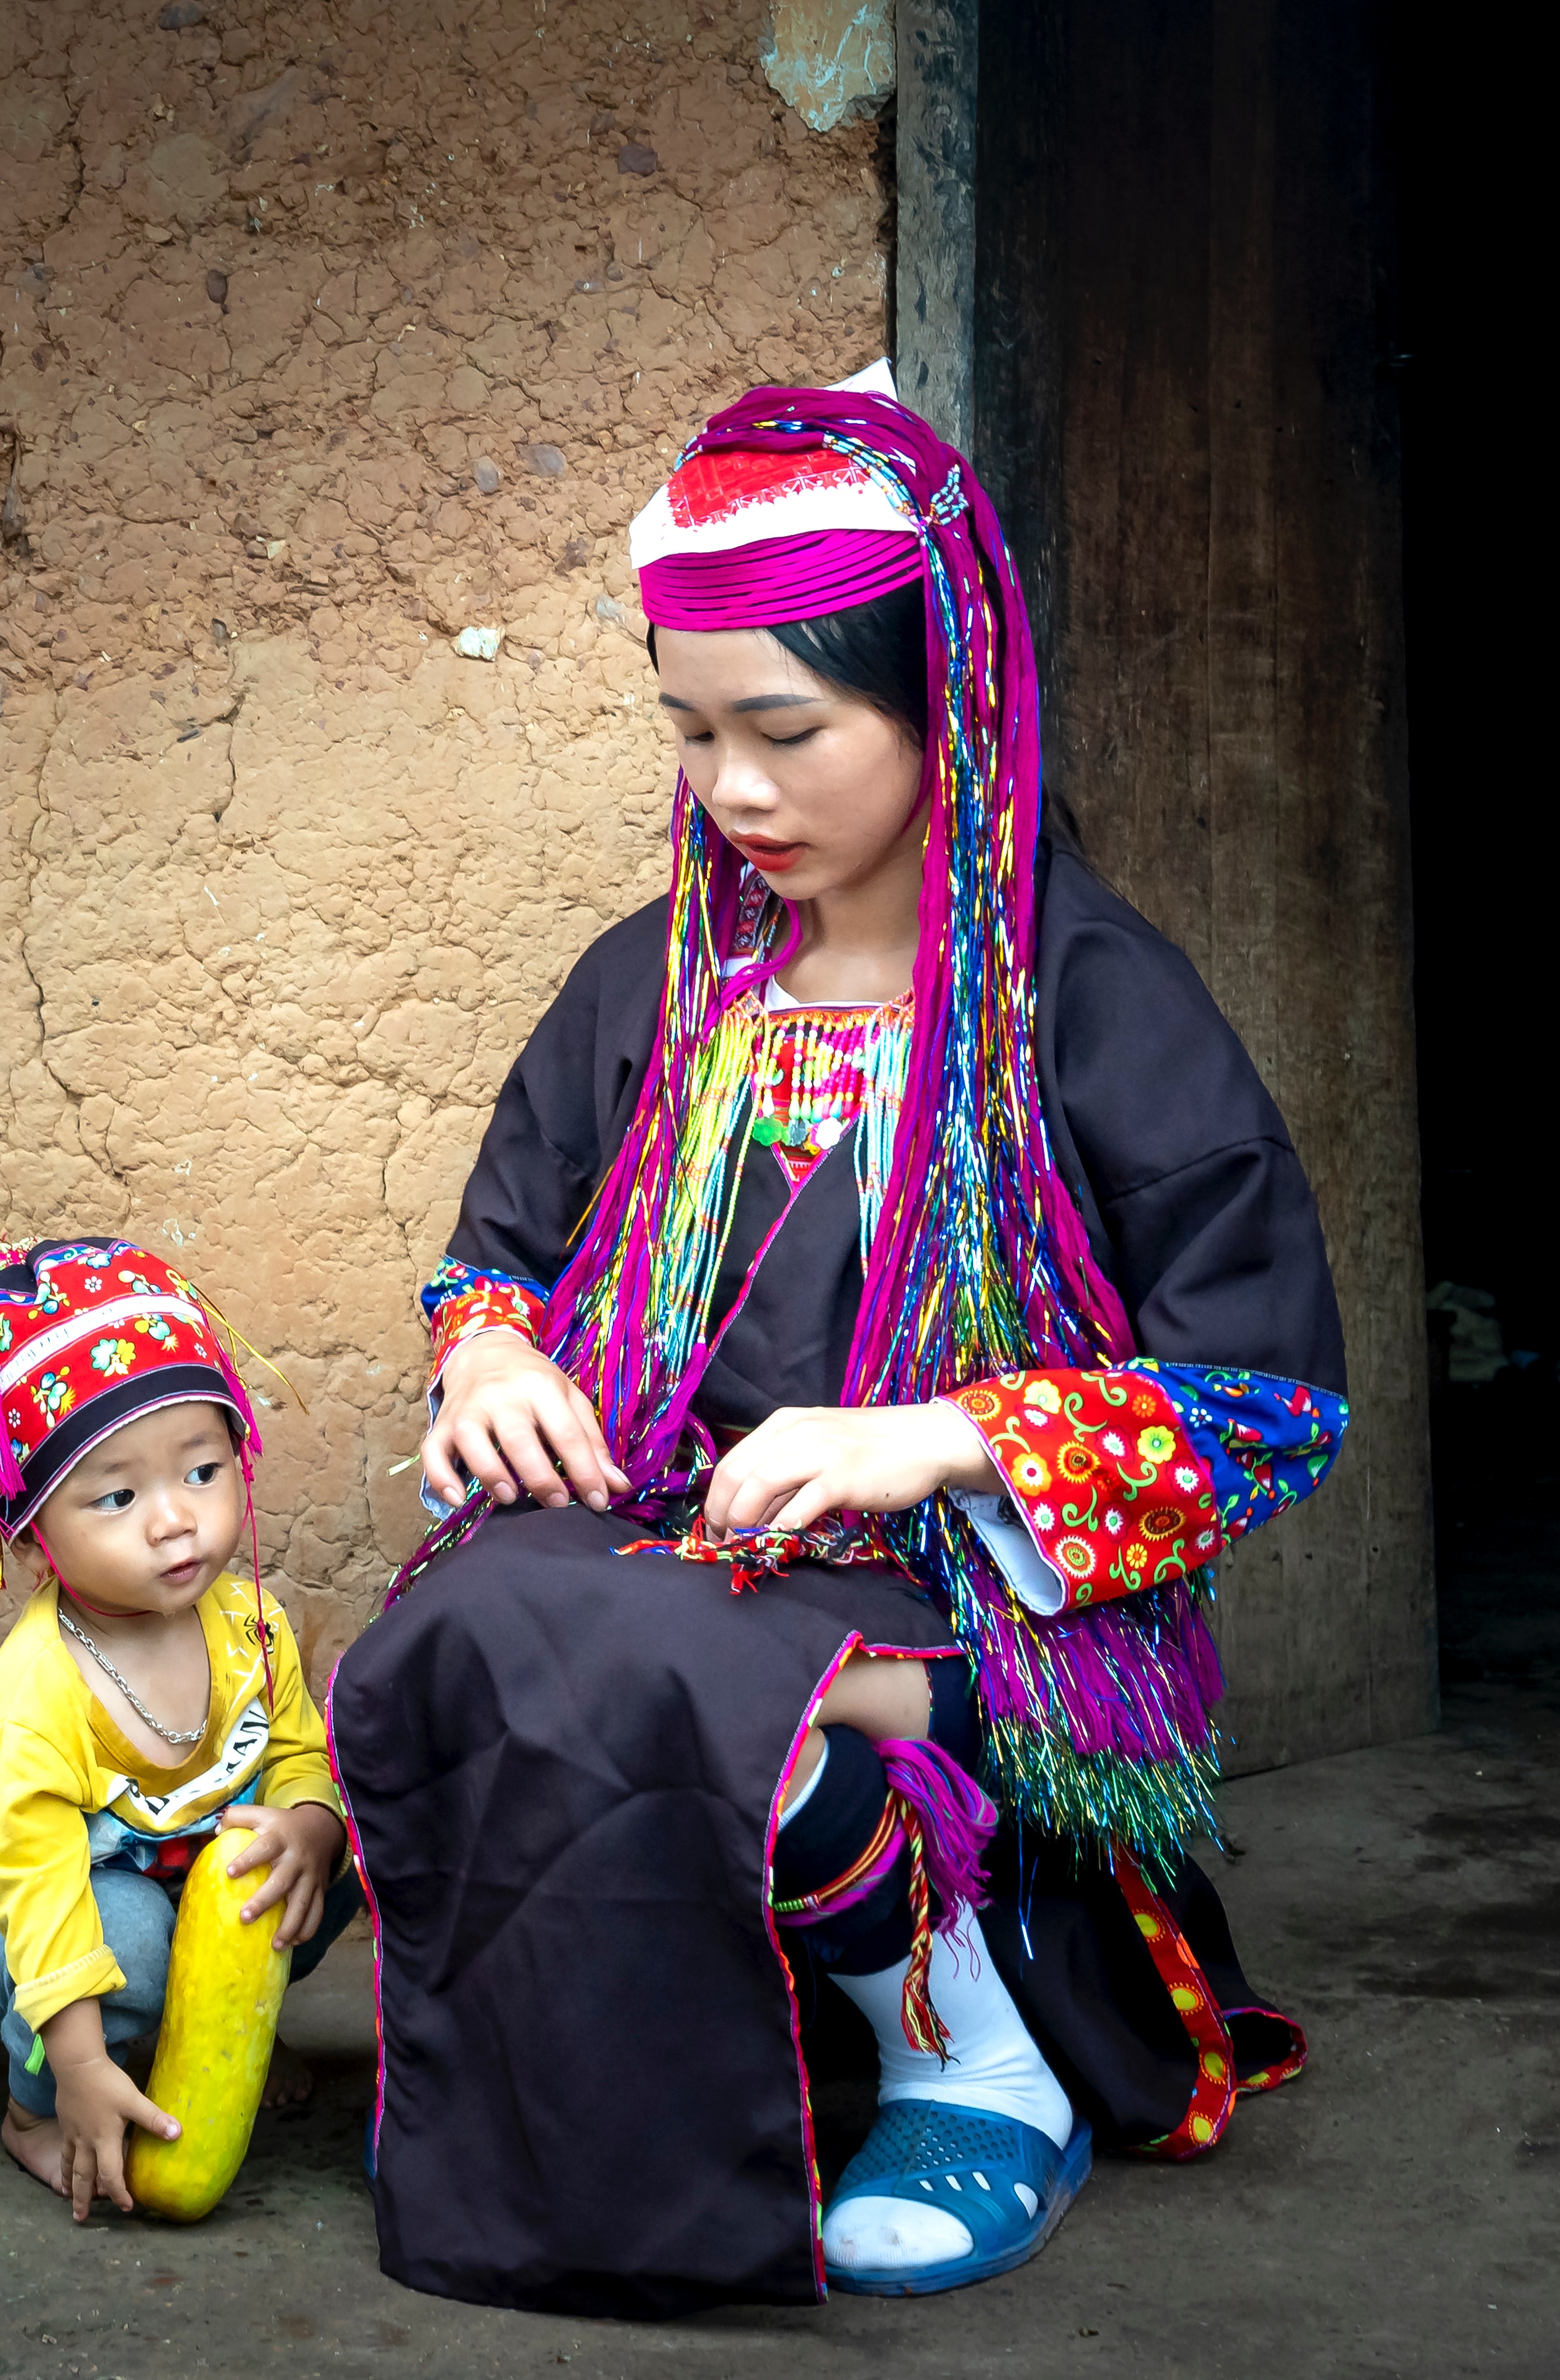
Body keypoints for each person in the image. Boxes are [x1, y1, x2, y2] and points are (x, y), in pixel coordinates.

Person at [329, 364, 1346, 2313]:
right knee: (463, 1621)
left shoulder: (1085, 1003)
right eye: (691, 730)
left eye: (785, 729)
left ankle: (964, 2040)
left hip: (975, 1614)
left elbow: (1269, 1405)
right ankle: (573, 2075)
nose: (731, 789)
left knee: (683, 1660)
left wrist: (935, 1439)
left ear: (937, 697)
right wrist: (488, 1359)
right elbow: (494, 1260)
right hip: (684, 1545)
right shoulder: (655, 983)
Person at [0, 1236, 355, 2222]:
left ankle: (208, 2037)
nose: (174, 1522)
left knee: (319, 1860)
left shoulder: (249, 1626)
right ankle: (32, 2109)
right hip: (23, 1942)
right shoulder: (38, 1693)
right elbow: (40, 1891)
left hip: (173, 1900)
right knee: (131, 1940)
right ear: (30, 1531)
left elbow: (294, 1754)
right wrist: (74, 2062)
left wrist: (310, 1824)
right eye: (116, 1496)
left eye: (201, 1470)